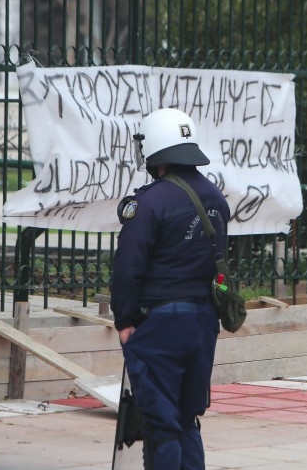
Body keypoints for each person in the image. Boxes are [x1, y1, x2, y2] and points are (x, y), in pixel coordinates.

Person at [111, 107, 230, 470]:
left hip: (161, 325)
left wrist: (124, 320)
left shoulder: (148, 203)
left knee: (161, 426)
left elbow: (128, 268)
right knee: (187, 420)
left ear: (155, 148)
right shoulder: (215, 198)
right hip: (203, 323)